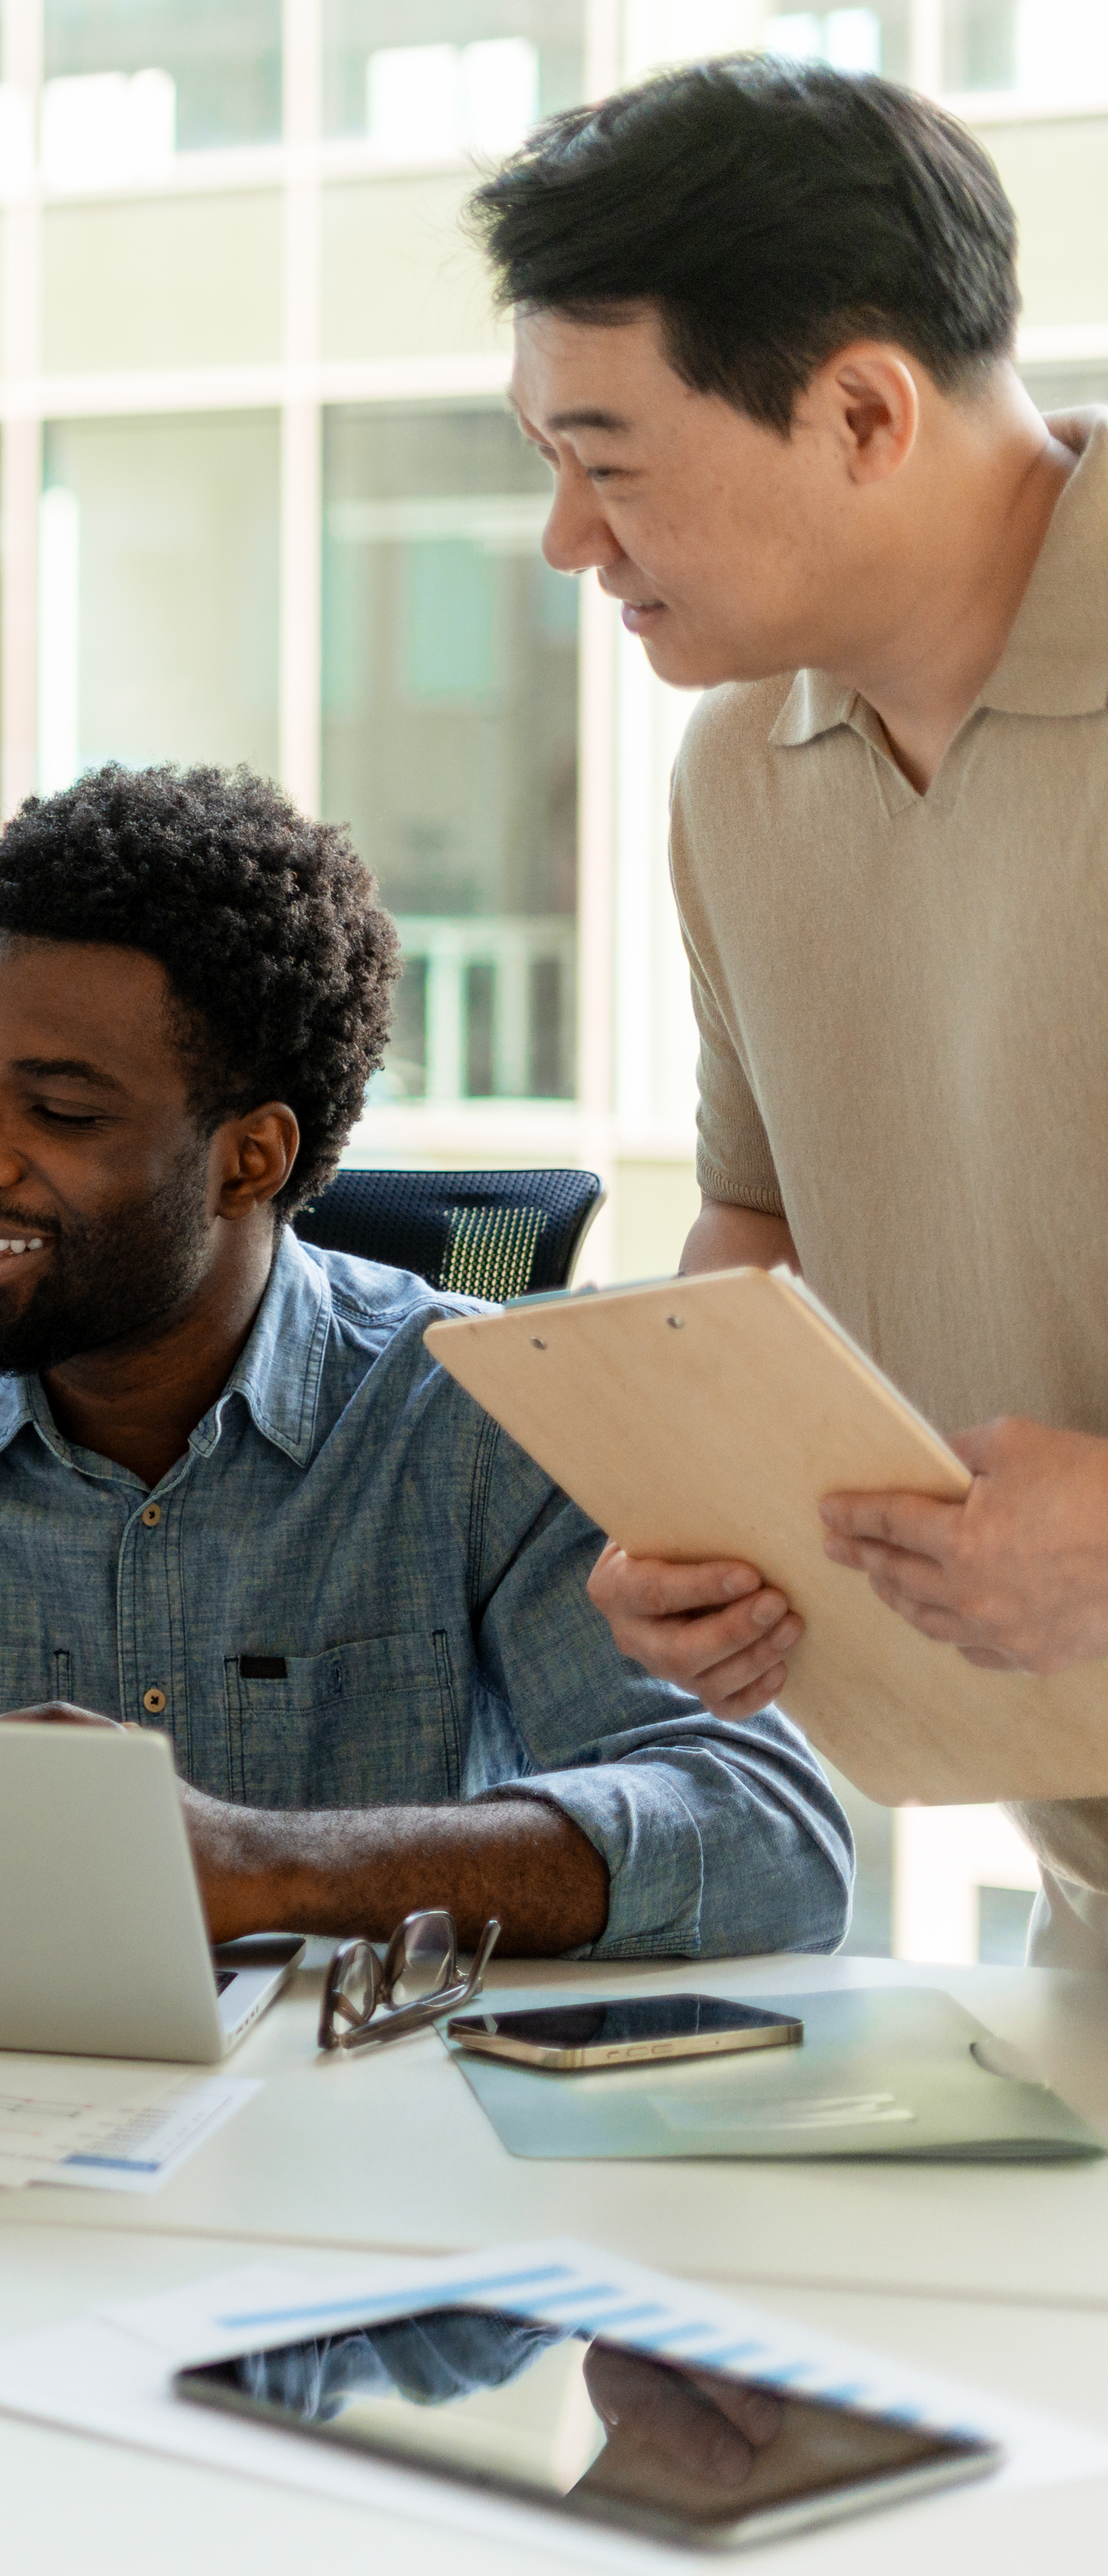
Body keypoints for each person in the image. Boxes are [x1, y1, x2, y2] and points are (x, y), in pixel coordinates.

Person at [0, 766, 850, 1957]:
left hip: (355, 2176)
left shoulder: (475, 1412)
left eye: (62, 1109)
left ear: (249, 1158)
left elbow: (771, 1837)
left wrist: (264, 1866)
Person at [470, 63, 1108, 1952]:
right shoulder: (736, 770)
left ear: (856, 412)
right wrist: (703, 1511)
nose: (564, 542)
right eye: (542, 461)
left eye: (608, 460)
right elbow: (762, 1236)